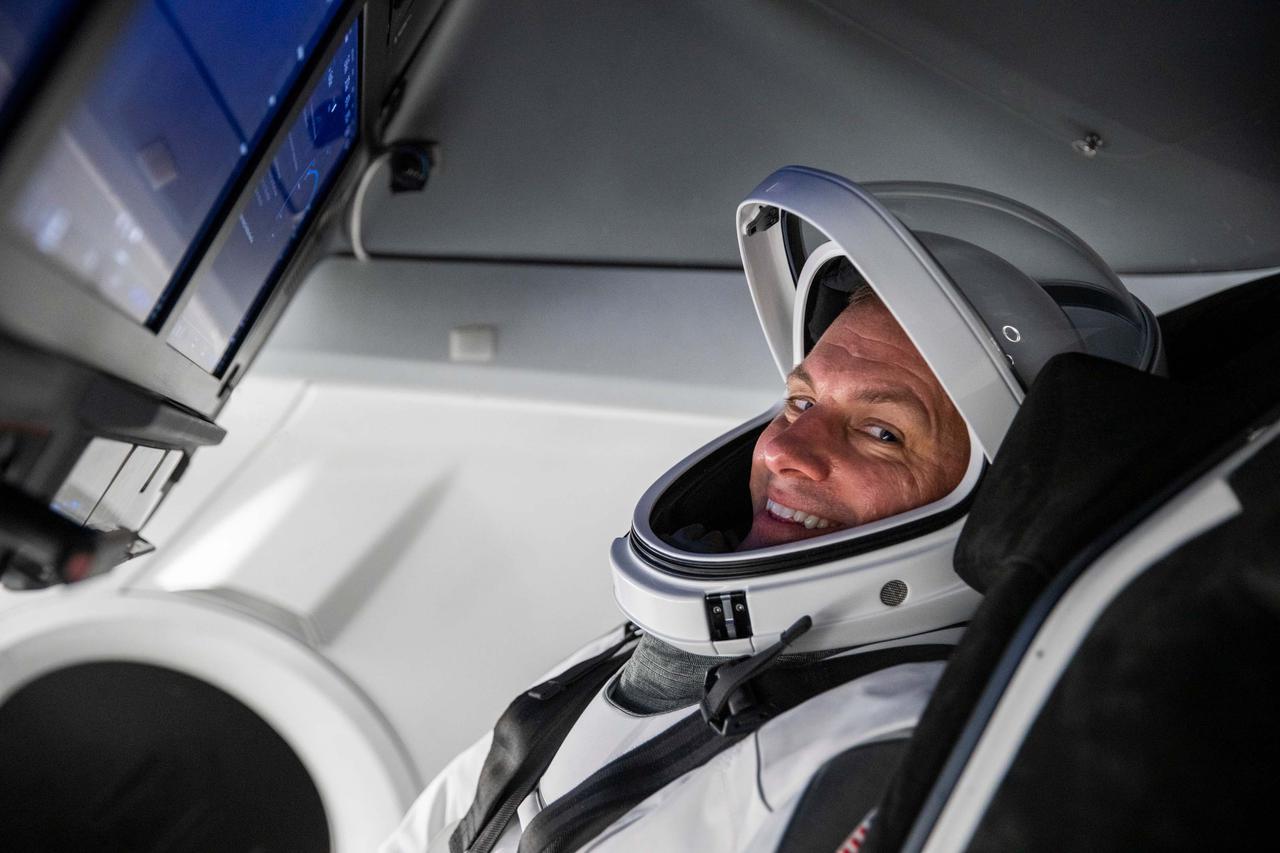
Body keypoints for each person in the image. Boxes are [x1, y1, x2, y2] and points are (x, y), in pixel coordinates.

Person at [381, 167, 1163, 853]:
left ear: (995, 503)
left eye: (881, 432)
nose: (786, 450)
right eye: (800, 401)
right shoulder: (668, 643)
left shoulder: (890, 749)